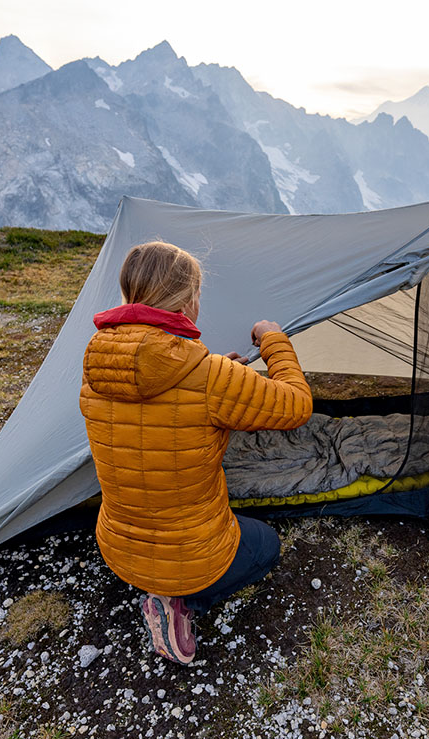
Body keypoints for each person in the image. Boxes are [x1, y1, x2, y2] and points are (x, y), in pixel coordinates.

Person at [79, 241, 312, 664]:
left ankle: (160, 589)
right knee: (267, 546)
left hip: (117, 547)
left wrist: (221, 371)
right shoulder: (208, 377)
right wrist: (272, 338)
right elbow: (296, 404)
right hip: (189, 560)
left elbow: (158, 401)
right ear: (189, 300)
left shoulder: (98, 360)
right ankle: (177, 603)